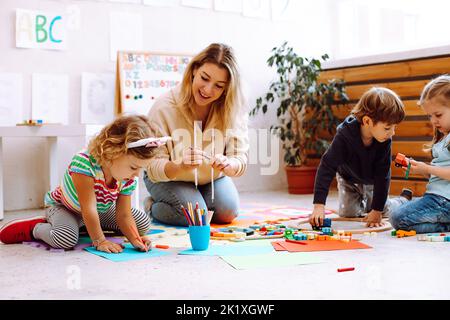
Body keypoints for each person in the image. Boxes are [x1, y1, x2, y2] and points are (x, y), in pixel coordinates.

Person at [0, 115, 161, 252]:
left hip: (97, 211)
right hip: (66, 208)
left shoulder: (128, 177)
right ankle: (36, 228)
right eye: (134, 167)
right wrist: (99, 240)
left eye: (141, 169)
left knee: (142, 222)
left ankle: (84, 227)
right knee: (65, 239)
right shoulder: (84, 163)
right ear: (113, 151)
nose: (137, 174)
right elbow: (87, 208)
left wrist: (135, 240)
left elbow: (124, 215)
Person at [144, 43, 249, 226]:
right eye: (204, 78)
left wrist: (230, 165)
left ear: (227, 89)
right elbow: (153, 167)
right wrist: (179, 165)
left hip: (210, 178)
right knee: (195, 217)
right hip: (167, 178)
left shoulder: (232, 108)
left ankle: (195, 200)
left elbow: (239, 157)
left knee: (228, 212)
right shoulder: (163, 107)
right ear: (194, 70)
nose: (208, 90)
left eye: (219, 86)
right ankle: (152, 207)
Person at [310, 87, 410, 228]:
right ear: (367, 121)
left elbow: (383, 174)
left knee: (384, 210)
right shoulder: (344, 136)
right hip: (348, 179)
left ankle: (401, 200)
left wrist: (377, 210)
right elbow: (327, 166)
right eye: (388, 128)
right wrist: (319, 205)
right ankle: (364, 205)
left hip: (372, 181)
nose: (392, 133)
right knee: (348, 213)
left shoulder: (384, 139)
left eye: (394, 127)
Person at [390, 75, 450, 233]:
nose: (433, 121)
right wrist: (422, 169)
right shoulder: (443, 138)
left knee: (397, 218)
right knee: (404, 219)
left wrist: (428, 168)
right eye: (430, 116)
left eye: (438, 115)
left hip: (444, 201)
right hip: (439, 198)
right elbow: (441, 177)